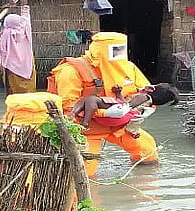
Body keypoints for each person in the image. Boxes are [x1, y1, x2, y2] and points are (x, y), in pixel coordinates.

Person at [49, 32, 159, 177]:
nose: (118, 58)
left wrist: (145, 108)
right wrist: (104, 113)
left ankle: (142, 186)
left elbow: (148, 93)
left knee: (148, 152)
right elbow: (68, 108)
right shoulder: (72, 71)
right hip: (87, 130)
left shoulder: (128, 67)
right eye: (114, 51)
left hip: (120, 125)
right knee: (86, 172)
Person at [0, 0, 37, 95]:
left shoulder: (6, 34)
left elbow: (0, 47)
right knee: (28, 94)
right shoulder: (24, 28)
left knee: (14, 95)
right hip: (27, 67)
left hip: (12, 70)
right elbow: (25, 7)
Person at [70, 83, 179, 129]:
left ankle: (84, 121)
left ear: (152, 89)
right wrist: (118, 94)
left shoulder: (143, 97)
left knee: (91, 99)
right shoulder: (149, 105)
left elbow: (128, 106)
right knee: (87, 100)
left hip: (119, 115)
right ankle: (73, 113)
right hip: (122, 119)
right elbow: (128, 105)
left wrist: (116, 102)